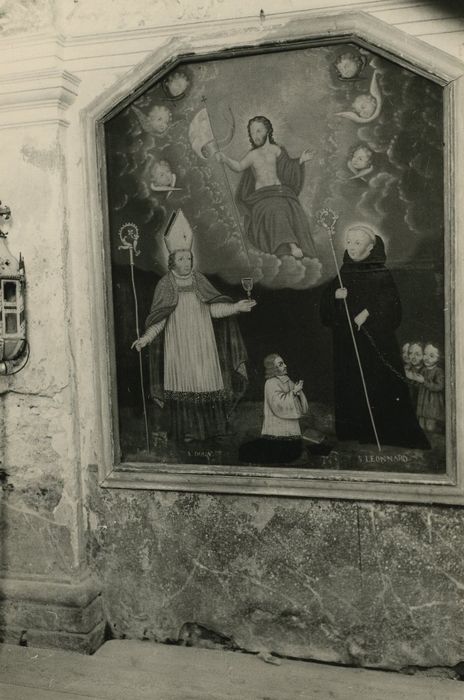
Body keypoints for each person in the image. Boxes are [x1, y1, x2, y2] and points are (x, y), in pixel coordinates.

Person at [132, 210, 256, 442]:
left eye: (188, 258)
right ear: (172, 261)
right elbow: (159, 319)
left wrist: (237, 307)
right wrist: (145, 339)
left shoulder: (199, 280)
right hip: (178, 345)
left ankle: (213, 430)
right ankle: (186, 432)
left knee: (207, 381)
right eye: (181, 259)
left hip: (203, 344)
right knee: (183, 382)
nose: (186, 262)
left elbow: (213, 309)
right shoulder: (165, 284)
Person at [320, 224, 429, 449]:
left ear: (370, 248)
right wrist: (334, 296)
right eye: (348, 242)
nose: (351, 247)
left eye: (357, 243)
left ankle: (379, 431)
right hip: (348, 344)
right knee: (351, 384)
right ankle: (354, 429)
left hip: (374, 344)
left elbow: (392, 306)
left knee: (377, 385)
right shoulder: (345, 271)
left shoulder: (381, 273)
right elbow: (325, 311)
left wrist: (368, 313)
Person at [216, 116, 316, 259]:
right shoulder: (253, 155)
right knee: (275, 209)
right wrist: (225, 159)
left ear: (267, 130)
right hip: (262, 197)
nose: (255, 136)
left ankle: (291, 247)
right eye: (252, 133)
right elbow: (238, 167)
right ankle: (292, 246)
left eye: (258, 131)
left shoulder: (277, 150)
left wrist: (301, 160)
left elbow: (287, 167)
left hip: (280, 192)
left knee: (292, 207)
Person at [239, 354, 308, 464]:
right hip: (276, 434)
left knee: (293, 453)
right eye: (281, 364)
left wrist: (298, 392)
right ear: (273, 368)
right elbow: (277, 405)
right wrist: (294, 392)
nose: (285, 366)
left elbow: (301, 407)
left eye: (283, 363)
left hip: (292, 432)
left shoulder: (288, 381)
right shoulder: (270, 383)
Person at [416, 342, 445, 434]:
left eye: (431, 356)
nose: (427, 358)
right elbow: (417, 385)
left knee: (430, 428)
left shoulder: (438, 371)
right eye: (425, 354)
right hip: (422, 405)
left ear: (438, 358)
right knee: (421, 426)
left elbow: (439, 387)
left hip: (432, 405)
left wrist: (424, 381)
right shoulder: (423, 370)